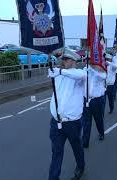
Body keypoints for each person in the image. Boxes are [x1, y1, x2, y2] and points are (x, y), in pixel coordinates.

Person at [48, 49, 86, 180]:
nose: (63, 62)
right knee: (56, 152)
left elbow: (79, 76)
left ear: (73, 61)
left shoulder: (80, 74)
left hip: (72, 123)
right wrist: (54, 71)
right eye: (62, 60)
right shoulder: (58, 74)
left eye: (66, 60)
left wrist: (60, 71)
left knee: (76, 147)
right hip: (56, 122)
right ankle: (53, 177)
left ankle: (80, 166)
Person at [82, 62, 107, 148]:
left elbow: (104, 77)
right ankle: (85, 141)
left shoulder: (100, 71)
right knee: (86, 122)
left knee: (98, 119)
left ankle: (101, 133)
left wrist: (94, 71)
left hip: (96, 100)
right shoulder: (85, 70)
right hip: (86, 100)